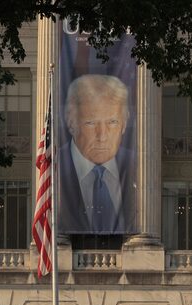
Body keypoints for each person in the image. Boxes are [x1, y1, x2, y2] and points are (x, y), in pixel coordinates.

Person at [58, 74, 135, 234]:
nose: (102, 136)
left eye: (112, 122)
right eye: (91, 123)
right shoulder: (53, 166)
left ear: (125, 123)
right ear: (71, 122)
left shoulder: (140, 166)